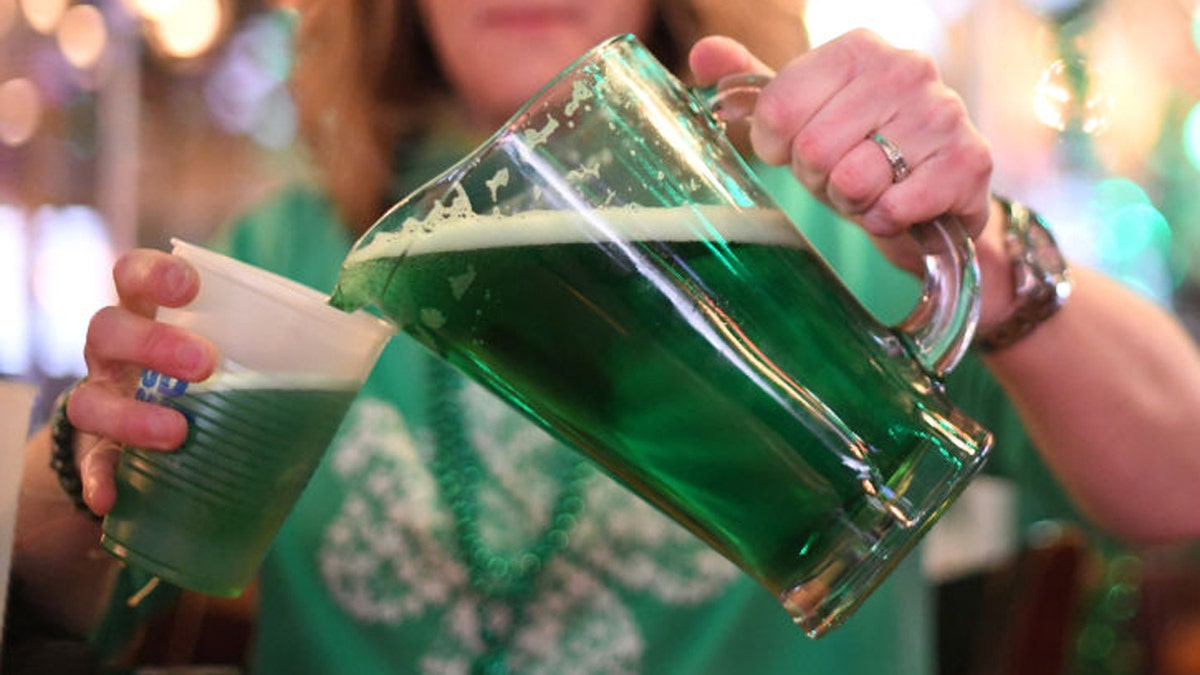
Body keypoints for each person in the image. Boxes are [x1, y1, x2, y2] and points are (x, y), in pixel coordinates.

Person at [12, 0, 1200, 673]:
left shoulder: (811, 221)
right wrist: (86, 467)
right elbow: (66, 606)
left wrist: (977, 245)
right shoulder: (288, 243)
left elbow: (1181, 484)